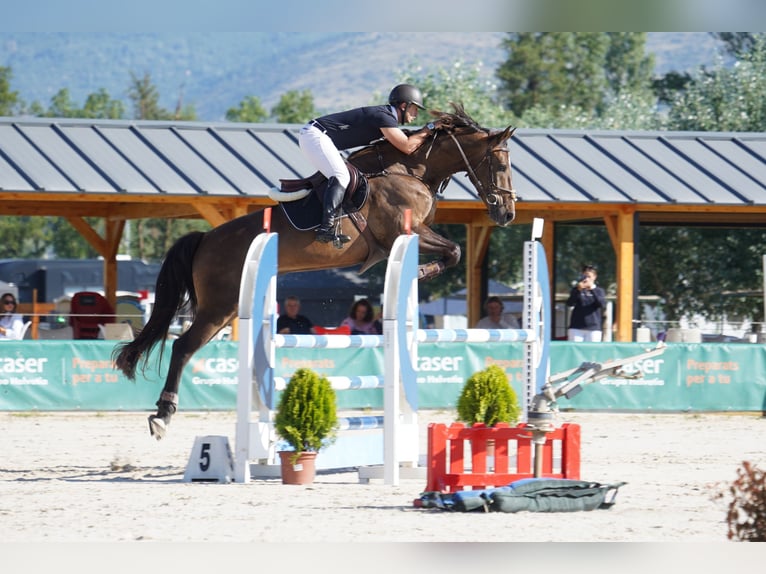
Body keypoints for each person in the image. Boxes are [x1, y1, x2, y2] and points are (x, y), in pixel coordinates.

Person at [298, 83, 439, 246]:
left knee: (345, 176)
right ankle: (325, 228)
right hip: (315, 135)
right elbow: (407, 146)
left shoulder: (386, 117)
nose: (416, 114)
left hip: (316, 136)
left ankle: (332, 224)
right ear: (403, 105)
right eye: (415, 109)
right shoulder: (384, 117)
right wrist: (429, 127)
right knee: (341, 175)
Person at [566, 264, 607, 342]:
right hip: (577, 327)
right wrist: (578, 290)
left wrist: (592, 289)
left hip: (593, 328)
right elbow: (570, 303)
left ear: (594, 277)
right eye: (585, 276)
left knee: (592, 352)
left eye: (589, 277)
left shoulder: (599, 291)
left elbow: (602, 304)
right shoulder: (577, 289)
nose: (586, 279)